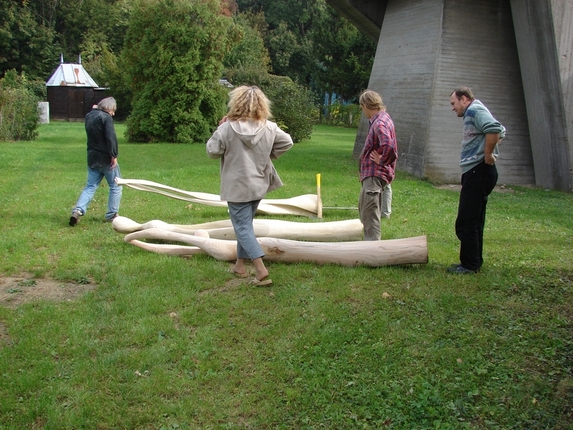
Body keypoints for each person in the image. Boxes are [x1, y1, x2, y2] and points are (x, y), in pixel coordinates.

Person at [206, 86, 293, 286]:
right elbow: (287, 142)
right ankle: (239, 265)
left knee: (242, 228)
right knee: (245, 225)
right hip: (258, 184)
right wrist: (267, 155)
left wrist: (219, 128)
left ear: (236, 103)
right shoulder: (269, 127)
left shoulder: (226, 127)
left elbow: (212, 151)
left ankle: (261, 269)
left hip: (237, 187)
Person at [448, 86, 505, 274]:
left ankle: (469, 265)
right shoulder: (476, 110)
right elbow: (500, 130)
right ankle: (474, 262)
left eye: (454, 103)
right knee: (475, 220)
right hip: (477, 172)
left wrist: (488, 153)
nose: (453, 108)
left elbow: (495, 129)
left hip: (477, 171)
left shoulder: (474, 110)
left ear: (464, 99)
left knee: (466, 221)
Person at [69, 97, 122, 226]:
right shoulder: (106, 118)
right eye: (112, 110)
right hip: (105, 158)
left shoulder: (89, 116)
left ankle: (78, 210)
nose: (113, 114)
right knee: (116, 186)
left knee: (90, 186)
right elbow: (111, 137)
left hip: (92, 157)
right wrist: (113, 155)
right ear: (107, 108)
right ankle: (112, 215)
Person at [358, 90, 398, 240]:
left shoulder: (379, 122)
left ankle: (373, 249)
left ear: (366, 105)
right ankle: (369, 243)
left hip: (374, 175)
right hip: (371, 175)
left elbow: (389, 145)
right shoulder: (383, 118)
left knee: (370, 213)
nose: (363, 111)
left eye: (362, 107)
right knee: (364, 209)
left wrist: (382, 161)